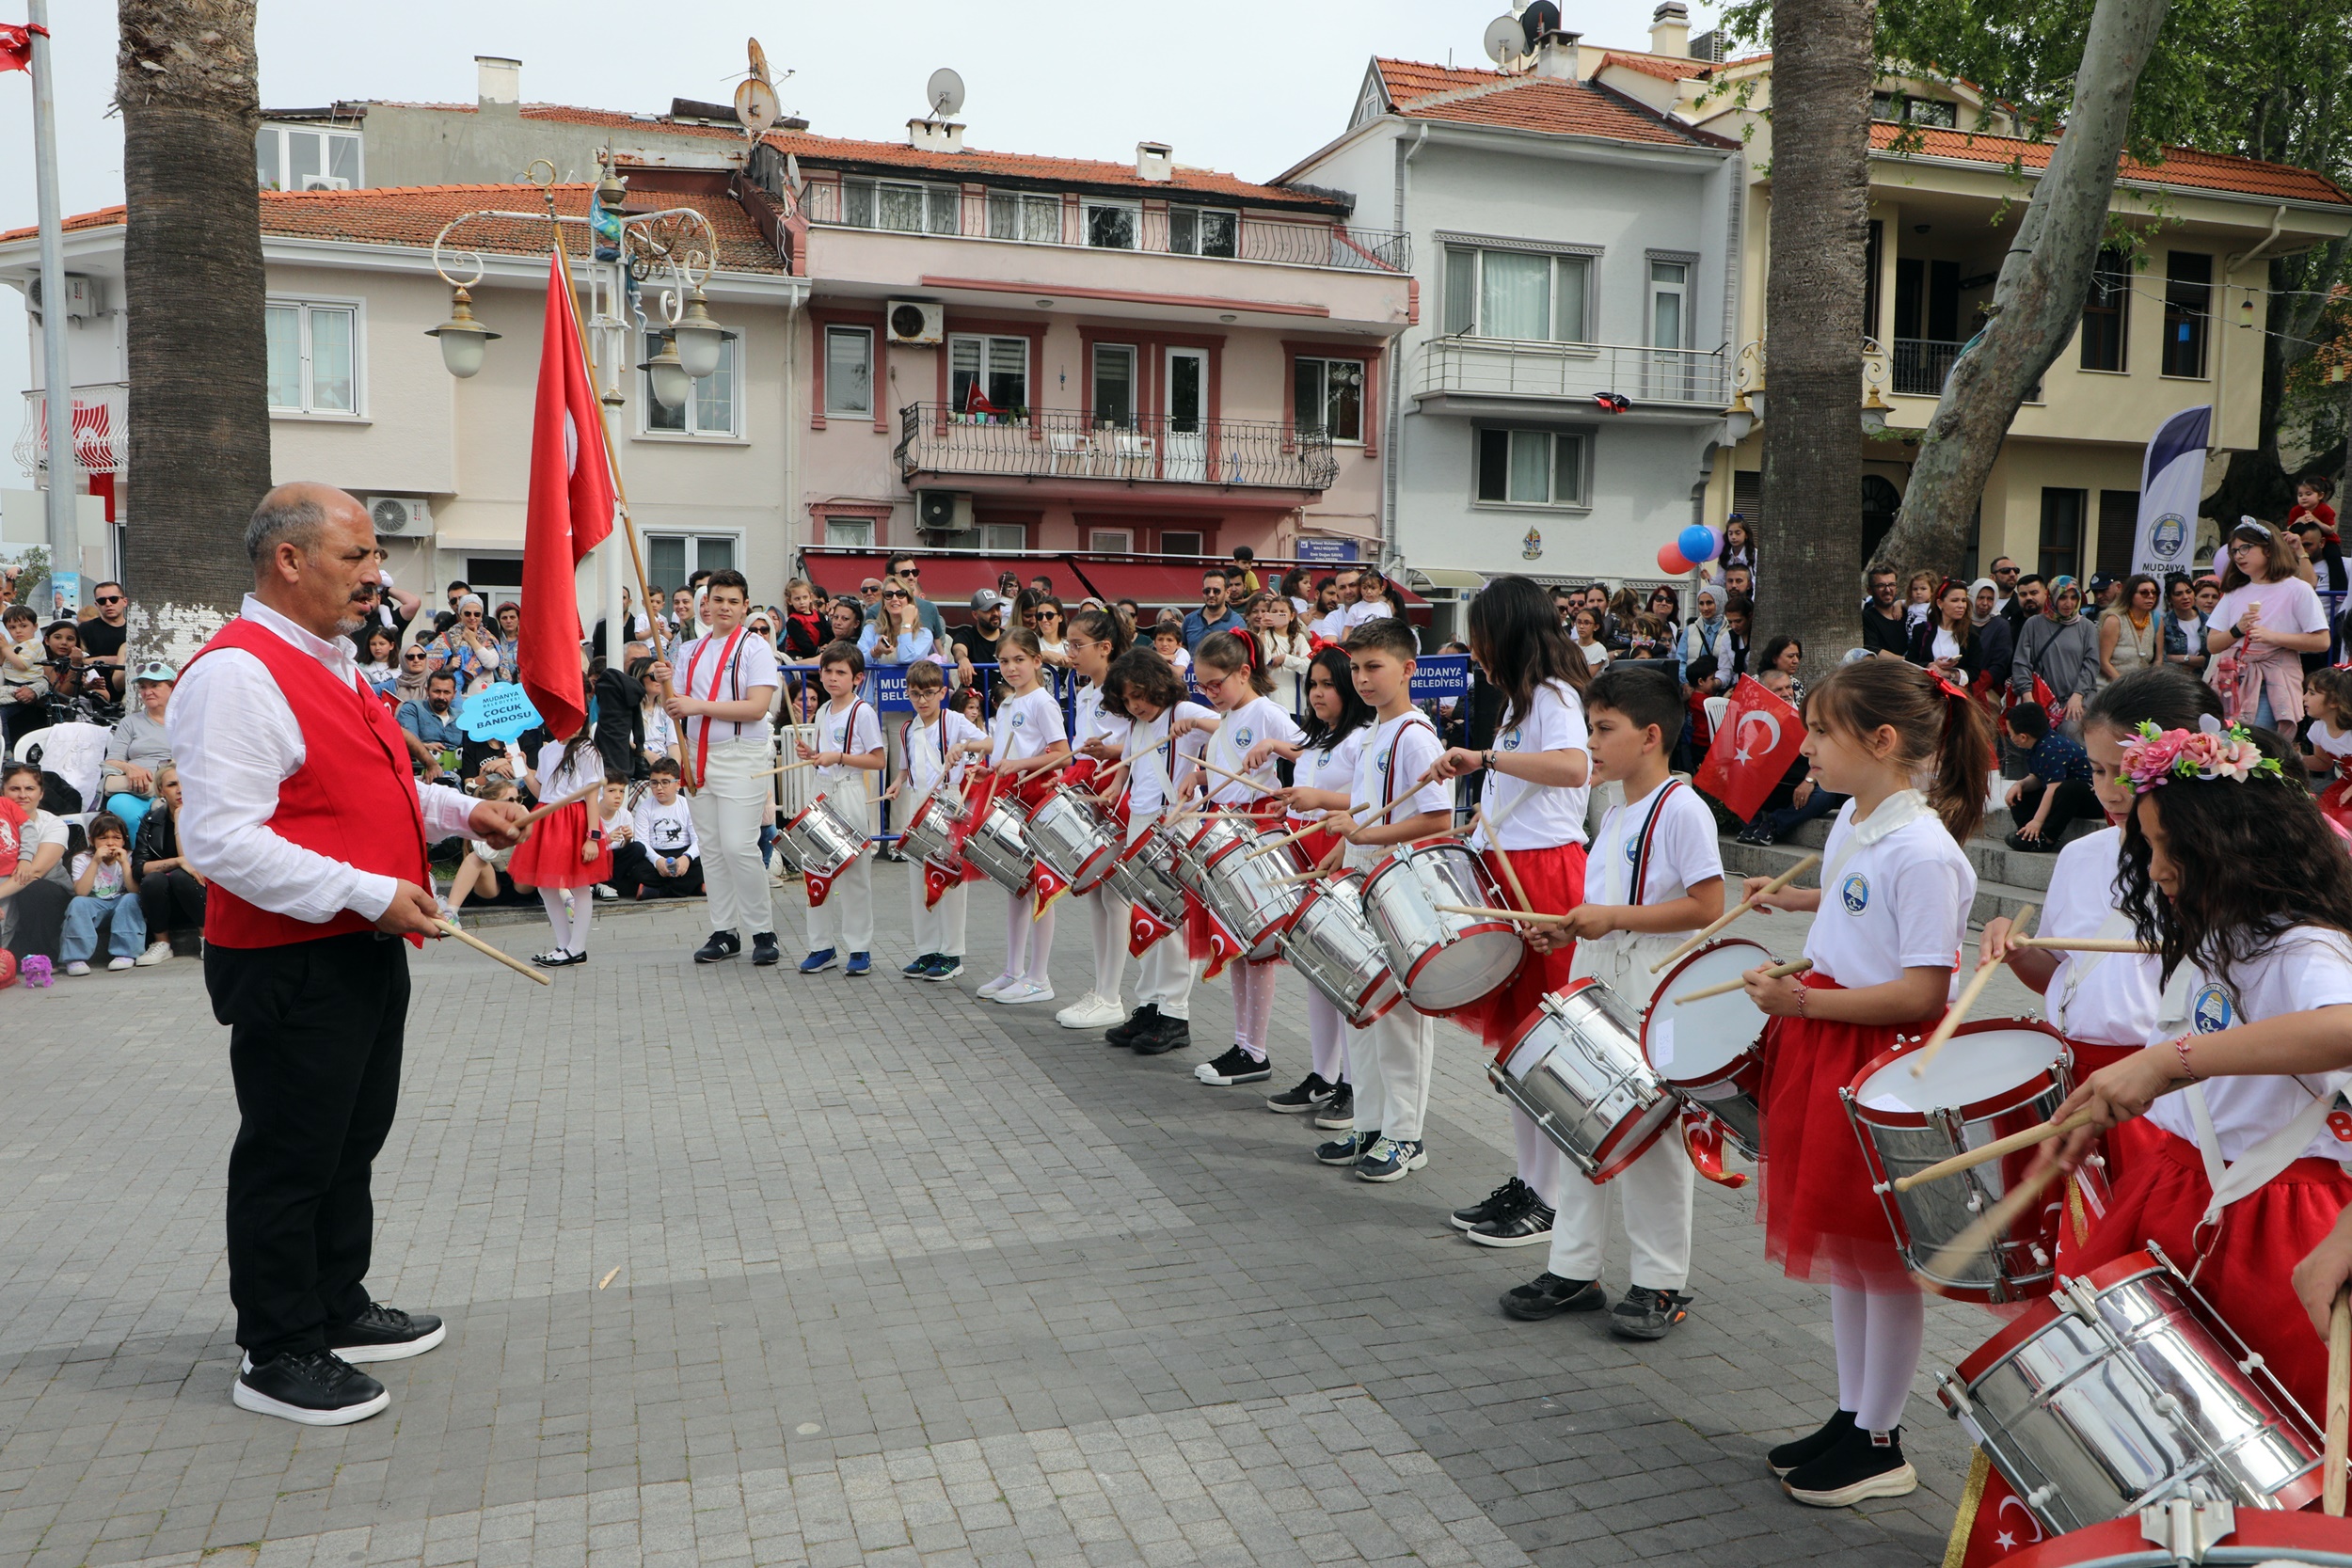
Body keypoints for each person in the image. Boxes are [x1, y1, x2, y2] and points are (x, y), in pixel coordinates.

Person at [167, 483, 529, 1425]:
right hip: (297, 955)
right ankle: (276, 1343)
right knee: (292, 1152)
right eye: (358, 556)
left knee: (350, 1137)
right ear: (287, 559)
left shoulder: (323, 658)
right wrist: (368, 890)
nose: (379, 578)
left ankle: (334, 1300)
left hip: (360, 942)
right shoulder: (238, 673)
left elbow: (382, 781)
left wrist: (459, 811)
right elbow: (218, 841)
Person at [2041, 716, 2352, 1434]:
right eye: (2148, 847)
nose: (2153, 868)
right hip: (2185, 1188)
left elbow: (2340, 1027)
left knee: (2252, 1434)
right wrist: (2125, 1096)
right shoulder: (2223, 930)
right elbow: (2223, 1063)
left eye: (2167, 847)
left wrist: (2162, 1063)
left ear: (2230, 843)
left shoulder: (2304, 944)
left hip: (2271, 1219)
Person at [1734, 657, 1988, 1508]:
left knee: (1883, 1260)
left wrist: (1801, 997)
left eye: (1818, 732)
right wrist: (1798, 911)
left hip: (1882, 1062)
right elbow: (1853, 911)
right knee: (1845, 1250)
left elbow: (1924, 990)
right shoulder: (1855, 818)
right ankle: (1851, 1413)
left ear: (1881, 742)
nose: (1803, 749)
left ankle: (1882, 1438)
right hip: (1827, 1040)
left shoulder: (1926, 852)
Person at [1502, 666, 1724, 1338]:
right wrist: (1569, 923)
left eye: (1604, 729)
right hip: (1597, 975)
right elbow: (1603, 906)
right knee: (1580, 1122)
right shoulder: (1615, 808)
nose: (1591, 742)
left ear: (1651, 735)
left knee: (1653, 1140)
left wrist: (1613, 918)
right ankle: (1574, 1269)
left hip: (1653, 990)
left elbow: (1709, 906)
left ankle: (1660, 1281)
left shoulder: (1682, 806)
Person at [1431, 576, 1594, 1238]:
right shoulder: (1518, 704)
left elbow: (1573, 767)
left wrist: (1484, 756)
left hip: (1546, 872)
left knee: (1540, 1038)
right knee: (1516, 1046)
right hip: (1508, 865)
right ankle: (1529, 1181)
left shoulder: (1554, 695)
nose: (1476, 650)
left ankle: (1549, 1198)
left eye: (1481, 636)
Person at [1982, 668, 2218, 1109]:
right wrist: (2019, 953)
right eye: (2096, 770)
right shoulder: (2079, 855)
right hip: (2072, 1071)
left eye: (2127, 771)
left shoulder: (2224, 872)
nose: (2109, 793)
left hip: (2167, 1089)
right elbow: (2062, 974)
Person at [1295, 619, 1452, 1183]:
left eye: (1373, 667)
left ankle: (1405, 1135)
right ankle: (1370, 1119)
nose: (1362, 679)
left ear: (1409, 669)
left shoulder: (1414, 734)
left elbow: (1435, 819)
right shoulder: (1372, 735)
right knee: (1361, 1007)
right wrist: (1344, 845)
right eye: (1356, 668)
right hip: (1364, 881)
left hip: (1402, 890)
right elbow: (1367, 809)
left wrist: (1363, 838)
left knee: (1402, 1018)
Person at [1250, 645, 1373, 1122]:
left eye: (1328, 685)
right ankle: (1323, 1075)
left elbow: (1370, 800)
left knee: (1345, 972)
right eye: (1314, 684)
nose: (1318, 693)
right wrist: (1293, 803)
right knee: (1315, 971)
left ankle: (1352, 1082)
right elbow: (1311, 790)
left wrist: (1317, 797)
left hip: (1343, 853)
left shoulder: (1364, 736)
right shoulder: (1319, 738)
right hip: (1306, 849)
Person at [1178, 630, 1304, 1087]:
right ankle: (1243, 1042)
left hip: (1256, 831)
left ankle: (1256, 1049)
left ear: (1244, 672)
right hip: (1224, 827)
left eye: (1216, 684)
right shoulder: (1228, 716)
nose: (1209, 694)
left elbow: (1310, 751)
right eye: (1203, 686)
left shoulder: (1267, 712)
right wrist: (1198, 776)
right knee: (1236, 946)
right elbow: (1224, 768)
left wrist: (1274, 747)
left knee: (1257, 948)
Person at [651, 570, 782, 967]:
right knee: (711, 848)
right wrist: (665, 683)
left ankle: (763, 930)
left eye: (732, 601)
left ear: (745, 606)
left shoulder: (755, 647)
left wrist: (695, 705)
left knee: (739, 846)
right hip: (696, 754)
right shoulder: (689, 649)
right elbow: (676, 705)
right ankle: (725, 931)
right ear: (705, 606)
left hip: (742, 753)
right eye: (716, 600)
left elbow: (757, 707)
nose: (723, 608)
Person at [1100, 648, 1215, 1055]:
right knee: (1146, 916)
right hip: (1141, 821)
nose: (1135, 705)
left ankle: (1175, 1013)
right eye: (1127, 699)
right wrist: (1117, 782)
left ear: (1159, 685)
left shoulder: (1183, 709)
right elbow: (1132, 759)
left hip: (1176, 822)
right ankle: (1149, 1003)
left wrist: (1199, 742)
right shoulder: (1137, 722)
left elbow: (1229, 732)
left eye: (1140, 695)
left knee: (1174, 921)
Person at [949, 628, 1068, 1004]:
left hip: (1036, 795)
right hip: (1009, 792)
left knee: (1039, 889)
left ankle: (1039, 976)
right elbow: (1002, 748)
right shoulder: (1008, 704)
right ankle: (1013, 970)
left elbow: (1062, 753)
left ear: (1037, 661)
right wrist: (991, 766)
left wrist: (1018, 764)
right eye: (1004, 661)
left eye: (1020, 659)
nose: (1012, 668)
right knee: (1015, 887)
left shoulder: (1042, 702)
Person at [1051, 605, 1134, 1027]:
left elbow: (1140, 740)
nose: (1070, 653)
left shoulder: (1124, 690)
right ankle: (1102, 987)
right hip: (1091, 787)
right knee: (1099, 894)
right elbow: (1083, 746)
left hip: (1120, 790)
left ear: (1105, 648)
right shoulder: (1085, 691)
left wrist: (1114, 763)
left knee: (1117, 894)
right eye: (1068, 645)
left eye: (1077, 645)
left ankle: (1112, 993)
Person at [795, 640, 884, 976]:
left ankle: (859, 947)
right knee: (817, 870)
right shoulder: (822, 712)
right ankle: (821, 946)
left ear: (857, 678)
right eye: (828, 671)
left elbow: (878, 760)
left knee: (855, 874)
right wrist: (813, 755)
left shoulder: (863, 712)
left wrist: (840, 757)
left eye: (841, 673)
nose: (833, 678)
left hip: (848, 791)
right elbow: (823, 757)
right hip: (821, 791)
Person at [891, 659, 983, 980]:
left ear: (943, 692)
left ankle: (952, 953)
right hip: (918, 801)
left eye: (929, 693)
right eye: (915, 694)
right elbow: (906, 766)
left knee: (950, 879)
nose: (922, 700)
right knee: (919, 879)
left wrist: (963, 745)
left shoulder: (953, 720)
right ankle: (927, 950)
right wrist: (897, 782)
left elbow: (989, 743)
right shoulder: (907, 728)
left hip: (949, 800)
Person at [2207, 518, 2328, 736]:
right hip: (2232, 679)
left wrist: (2272, 637)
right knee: (2227, 746)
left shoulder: (2297, 589)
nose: (2238, 556)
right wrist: (2237, 630)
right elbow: (2213, 644)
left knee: (2258, 745)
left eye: (2246, 547)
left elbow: (2322, 641)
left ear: (2270, 549)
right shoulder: (2235, 592)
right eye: (2234, 551)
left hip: (2272, 680)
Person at [509, 725, 607, 968]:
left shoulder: (586, 749)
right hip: (549, 818)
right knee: (546, 885)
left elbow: (592, 795)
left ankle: (577, 947)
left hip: (575, 820)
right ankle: (564, 945)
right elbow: (543, 791)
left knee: (580, 884)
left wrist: (592, 836)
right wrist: (523, 770)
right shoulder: (547, 751)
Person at [2001, 698, 2101, 851]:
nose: (2010, 737)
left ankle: (2046, 838)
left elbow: (2054, 787)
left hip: (2090, 798)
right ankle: (2028, 834)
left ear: (2023, 737)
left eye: (2010, 733)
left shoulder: (2051, 748)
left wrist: (2038, 821)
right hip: (2062, 798)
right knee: (2020, 795)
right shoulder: (2036, 745)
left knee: (2068, 788)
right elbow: (2038, 776)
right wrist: (2019, 784)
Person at [132, 762, 204, 960]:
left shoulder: (205, 816)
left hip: (201, 890)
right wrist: (177, 861)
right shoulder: (151, 820)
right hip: (165, 900)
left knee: (182, 876)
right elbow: (139, 868)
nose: (180, 789)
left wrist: (180, 820)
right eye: (172, 784)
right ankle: (162, 943)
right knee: (154, 879)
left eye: (185, 783)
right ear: (161, 790)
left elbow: (193, 863)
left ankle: (208, 938)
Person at [58, 810, 145, 975]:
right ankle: (75, 958)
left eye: (116, 838)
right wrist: (96, 861)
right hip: (94, 905)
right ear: (91, 840)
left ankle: (125, 952)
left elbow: (135, 889)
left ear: (125, 840)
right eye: (103, 838)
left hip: (121, 904)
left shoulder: (131, 857)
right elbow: (81, 892)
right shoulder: (82, 859)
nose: (110, 843)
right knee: (78, 903)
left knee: (132, 898)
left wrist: (125, 863)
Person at [2013, 576, 2101, 732]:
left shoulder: (2086, 626)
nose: (2069, 604)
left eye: (2074, 597)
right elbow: (2021, 662)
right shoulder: (2033, 624)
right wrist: (2027, 696)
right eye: (2062, 597)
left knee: (2071, 734)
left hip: (2077, 699)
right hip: (2042, 699)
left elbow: (2091, 664)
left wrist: (2078, 695)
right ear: (2052, 597)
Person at [101, 659, 177, 829]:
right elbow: (111, 761)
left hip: (174, 789)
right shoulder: (130, 722)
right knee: (118, 804)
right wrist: (130, 768)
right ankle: (142, 855)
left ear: (173, 688)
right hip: (138, 792)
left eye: (155, 686)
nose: (147, 691)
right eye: (143, 687)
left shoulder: (187, 721)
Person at [612, 758, 702, 900]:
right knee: (637, 870)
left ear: (678, 784)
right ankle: (692, 887)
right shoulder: (645, 808)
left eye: (665, 782)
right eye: (654, 783)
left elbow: (698, 840)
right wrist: (657, 861)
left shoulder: (687, 805)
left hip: (682, 851)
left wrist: (687, 858)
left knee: (704, 864)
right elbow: (642, 842)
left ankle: (657, 892)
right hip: (656, 853)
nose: (659, 788)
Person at [439, 778, 522, 924]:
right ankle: (450, 913)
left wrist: (525, 826)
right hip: (492, 886)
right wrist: (500, 829)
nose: (515, 806)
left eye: (518, 800)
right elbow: (485, 855)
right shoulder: (481, 822)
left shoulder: (524, 817)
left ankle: (567, 900)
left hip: (523, 884)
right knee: (474, 858)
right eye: (509, 801)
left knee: (539, 853)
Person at [1901, 579, 1982, 685]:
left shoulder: (1972, 633)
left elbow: (1975, 672)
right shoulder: (1922, 630)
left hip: (1958, 694)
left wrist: (1948, 673)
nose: (1961, 605)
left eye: (1963, 600)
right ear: (1940, 603)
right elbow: (1910, 662)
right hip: (1926, 692)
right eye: (1955, 600)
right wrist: (1930, 665)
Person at [395, 672, 465, 784]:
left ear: (454, 694)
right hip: (422, 775)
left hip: (457, 776)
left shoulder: (462, 716)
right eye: (437, 691)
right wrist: (424, 746)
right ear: (427, 690)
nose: (441, 697)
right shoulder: (413, 708)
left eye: (447, 692)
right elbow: (407, 739)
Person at [1255, 593, 1315, 713]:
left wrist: (1285, 659)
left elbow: (1309, 667)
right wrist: (1262, 631)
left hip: (1295, 704)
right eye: (1274, 611)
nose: (1278, 615)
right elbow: (1262, 661)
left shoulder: (1299, 639)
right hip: (1270, 701)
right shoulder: (1263, 636)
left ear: (1292, 616)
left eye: (1282, 612)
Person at [429, 594, 501, 693]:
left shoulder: (487, 636)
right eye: (467, 613)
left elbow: (492, 663)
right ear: (460, 614)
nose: (472, 617)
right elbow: (428, 668)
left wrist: (472, 640)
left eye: (477, 614)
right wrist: (449, 667)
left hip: (486, 697)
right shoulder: (448, 637)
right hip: (458, 697)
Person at [2099, 573, 2163, 685]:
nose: (2151, 596)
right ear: (2130, 595)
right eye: (2144, 593)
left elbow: (2158, 660)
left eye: (2154, 592)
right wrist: (2124, 686)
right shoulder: (2114, 620)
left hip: (2141, 689)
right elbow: (2103, 662)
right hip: (2111, 687)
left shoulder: (2156, 619)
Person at [76, 580, 131, 700]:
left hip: (129, 696)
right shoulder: (85, 629)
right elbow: (75, 661)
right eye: (102, 601)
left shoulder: (134, 631)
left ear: (125, 601)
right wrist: (104, 660)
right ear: (97, 604)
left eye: (113, 599)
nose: (108, 604)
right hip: (96, 698)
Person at [948, 589, 1007, 694]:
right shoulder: (966, 636)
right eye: (988, 610)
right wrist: (962, 660)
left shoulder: (1009, 637)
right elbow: (959, 648)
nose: (995, 613)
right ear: (975, 615)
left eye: (997, 608)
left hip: (1006, 703)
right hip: (976, 706)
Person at [883, 553, 949, 641]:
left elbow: (938, 647)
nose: (911, 577)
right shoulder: (876, 611)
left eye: (914, 573)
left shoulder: (929, 608)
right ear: (890, 577)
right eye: (905, 573)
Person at [1182, 569, 1245, 653]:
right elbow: (1182, 649)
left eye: (1216, 591)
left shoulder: (1237, 623)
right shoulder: (1189, 620)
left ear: (1227, 593)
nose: (1211, 595)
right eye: (1207, 591)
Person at [2158, 575, 2207, 677]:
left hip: (2205, 679)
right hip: (2174, 680)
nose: (2185, 597)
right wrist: (2194, 661)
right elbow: (2160, 659)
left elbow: (2210, 659)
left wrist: (2180, 658)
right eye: (2178, 594)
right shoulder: (2163, 622)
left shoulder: (2209, 621)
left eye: (2189, 592)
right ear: (2170, 599)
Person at [1967, 578, 2014, 686]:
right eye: (1980, 598)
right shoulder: (1962, 621)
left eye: (1990, 599)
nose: (1985, 603)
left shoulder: (2001, 625)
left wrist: (1979, 684)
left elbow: (2000, 664)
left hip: (1985, 686)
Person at [1677, 588, 1726, 683]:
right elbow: (1680, 660)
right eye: (1701, 603)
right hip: (1692, 687)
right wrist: (1687, 682)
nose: (1705, 608)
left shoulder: (1729, 630)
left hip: (1719, 687)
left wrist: (1716, 683)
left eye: (1709, 603)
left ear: (1720, 602)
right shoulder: (1690, 630)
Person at [1860, 563, 1909, 657]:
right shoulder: (1867, 618)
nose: (1887, 590)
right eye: (1881, 585)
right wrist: (1905, 662)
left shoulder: (1907, 612)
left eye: (1891, 585)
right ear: (1870, 591)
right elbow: (1872, 649)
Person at [355, 627, 399, 695]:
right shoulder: (361, 667)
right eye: (373, 644)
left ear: (391, 646)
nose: (377, 648)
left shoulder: (401, 668)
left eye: (382, 644)